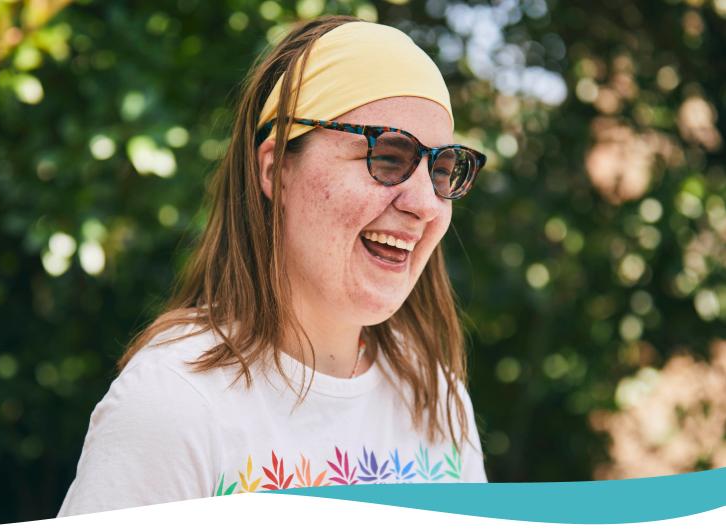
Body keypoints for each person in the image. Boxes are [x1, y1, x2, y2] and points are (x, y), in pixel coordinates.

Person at [58, 14, 488, 516]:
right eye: (388, 156)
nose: (426, 203)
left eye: (440, 170)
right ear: (276, 168)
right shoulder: (175, 403)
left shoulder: (434, 396)